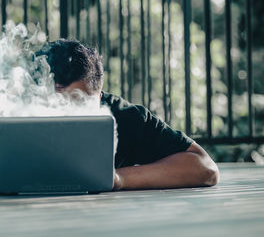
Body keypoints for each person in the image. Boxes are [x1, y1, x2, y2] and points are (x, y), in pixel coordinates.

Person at [36, 39, 219, 190]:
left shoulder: (123, 117)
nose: (63, 115)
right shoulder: (12, 107)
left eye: (78, 104)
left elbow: (205, 168)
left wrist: (117, 179)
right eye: (54, 104)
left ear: (99, 97)